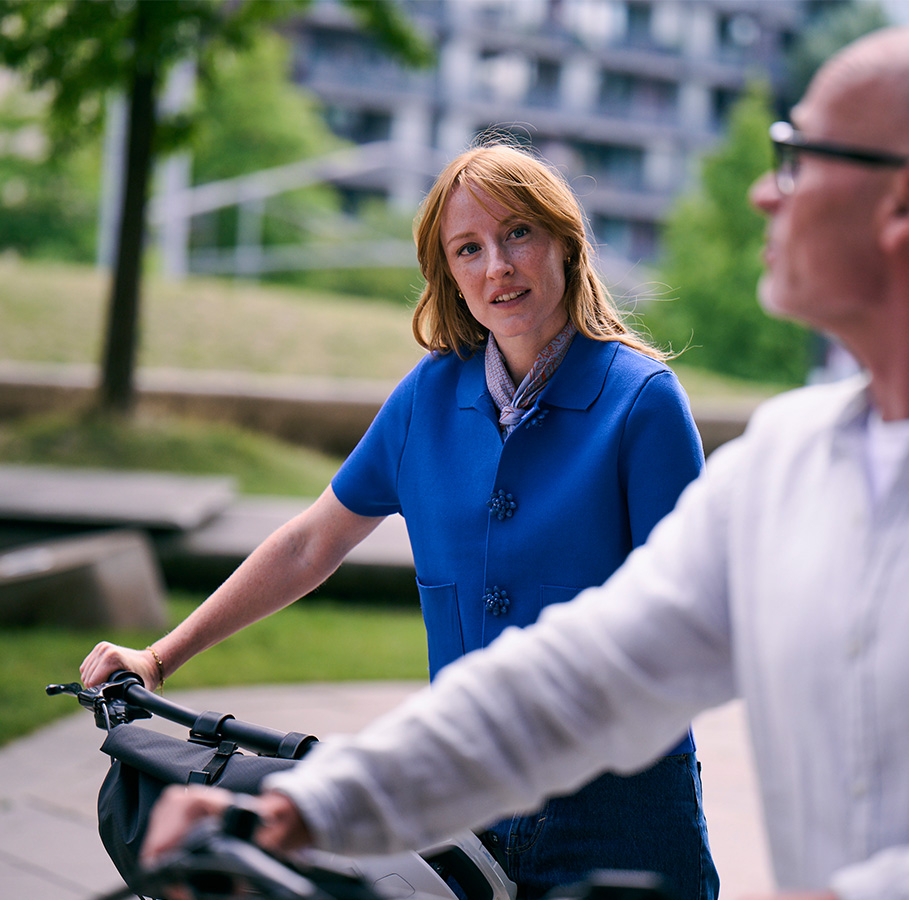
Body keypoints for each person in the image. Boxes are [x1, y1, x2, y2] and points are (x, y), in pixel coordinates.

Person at [142, 24, 909, 900]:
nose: (764, 196)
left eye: (797, 158)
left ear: (907, 202)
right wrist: (304, 807)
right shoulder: (782, 465)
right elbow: (580, 677)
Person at [81, 142, 719, 900]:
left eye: (518, 233)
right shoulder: (427, 398)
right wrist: (160, 656)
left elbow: (686, 621)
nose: (497, 266)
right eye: (468, 248)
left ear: (565, 243)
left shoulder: (643, 402)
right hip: (467, 797)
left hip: (623, 807)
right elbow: (310, 543)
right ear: (447, 273)